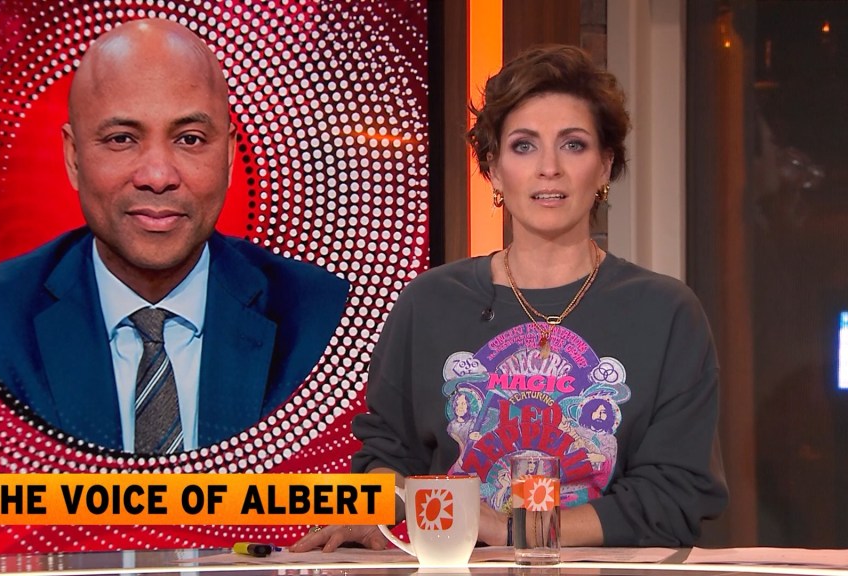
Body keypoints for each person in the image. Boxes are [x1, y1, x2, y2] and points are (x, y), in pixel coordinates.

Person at [290, 44, 727, 551]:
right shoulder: (429, 303)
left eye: (574, 145)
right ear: (494, 169)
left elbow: (673, 498)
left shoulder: (665, 313)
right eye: (524, 146)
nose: (549, 168)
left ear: (605, 166)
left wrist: (515, 529)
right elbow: (387, 457)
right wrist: (374, 513)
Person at [0, 19, 349, 454]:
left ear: (229, 155)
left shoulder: (329, 319)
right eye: (122, 139)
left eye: (190, 139)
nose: (158, 177)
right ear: (73, 157)